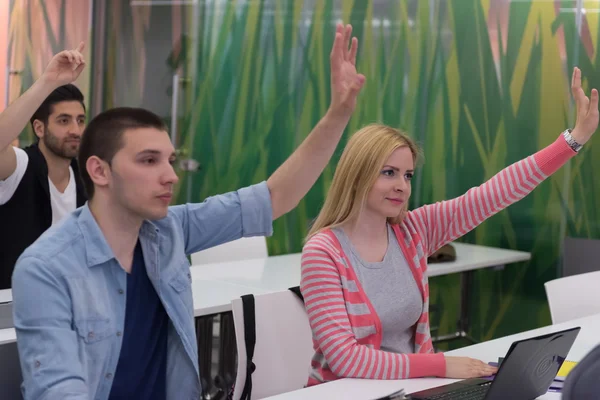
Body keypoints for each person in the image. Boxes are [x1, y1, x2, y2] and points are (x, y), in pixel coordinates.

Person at [11, 23, 365, 399]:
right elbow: (59, 391)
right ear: (100, 171)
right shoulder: (46, 269)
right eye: (149, 161)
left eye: (170, 161)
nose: (169, 176)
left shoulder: (169, 230)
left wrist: (339, 113)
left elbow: (275, 197)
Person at [299, 66, 599, 386]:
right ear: (357, 174)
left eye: (408, 175)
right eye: (388, 172)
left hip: (414, 387)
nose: (402, 185)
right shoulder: (323, 252)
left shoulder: (413, 230)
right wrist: (440, 364)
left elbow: (494, 194)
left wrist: (573, 140)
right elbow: (345, 359)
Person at [0, 43, 87, 289]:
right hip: (11, 309)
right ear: (39, 128)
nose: (75, 130)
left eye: (80, 120)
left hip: (67, 305)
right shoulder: (21, 166)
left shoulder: (86, 178)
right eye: (63, 120)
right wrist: (48, 81)